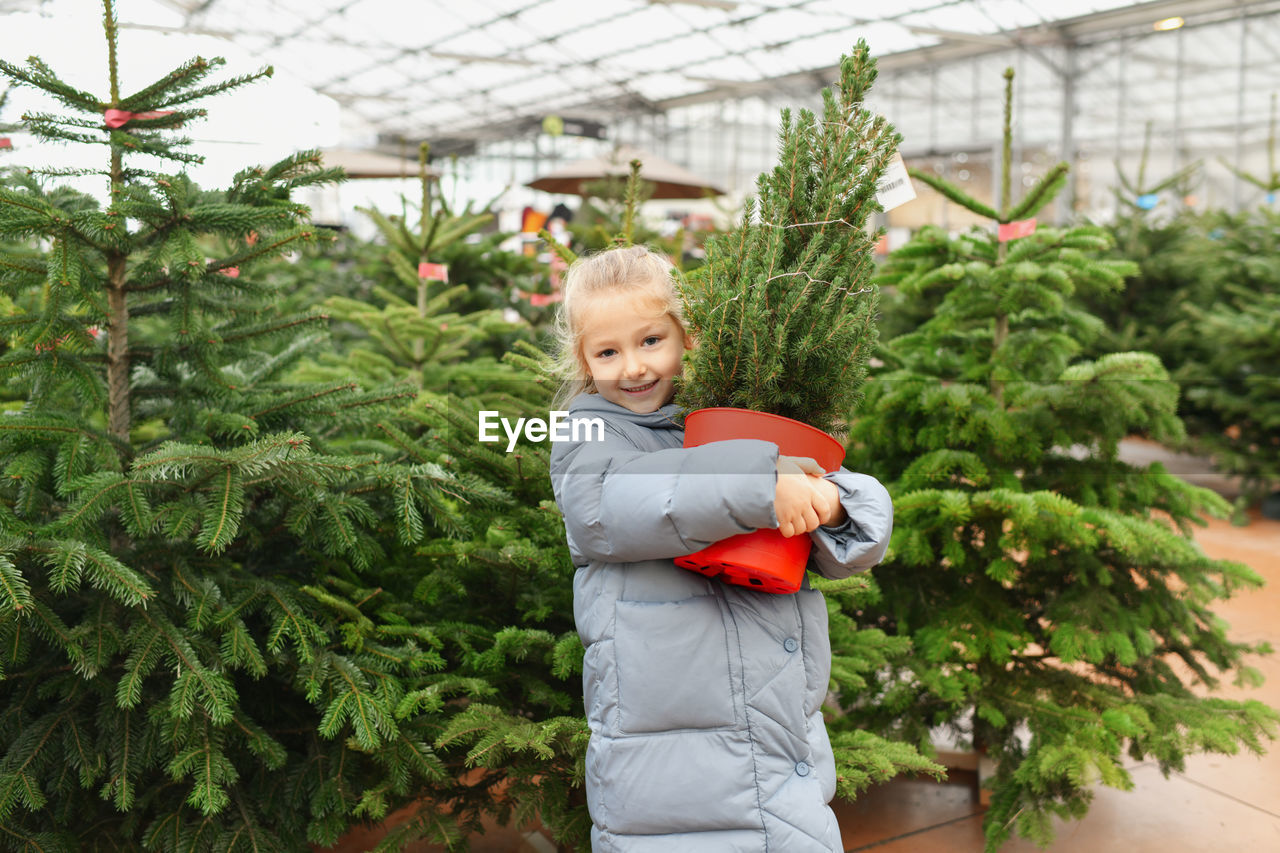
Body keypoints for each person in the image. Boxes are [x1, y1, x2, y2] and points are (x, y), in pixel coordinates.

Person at [548, 245, 893, 852]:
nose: (632, 367)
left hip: (779, 740)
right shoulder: (586, 436)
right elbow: (608, 507)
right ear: (582, 361)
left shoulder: (731, 423)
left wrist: (831, 503)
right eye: (607, 352)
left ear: (687, 337)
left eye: (651, 340)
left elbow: (847, 545)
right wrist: (761, 482)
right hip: (666, 766)